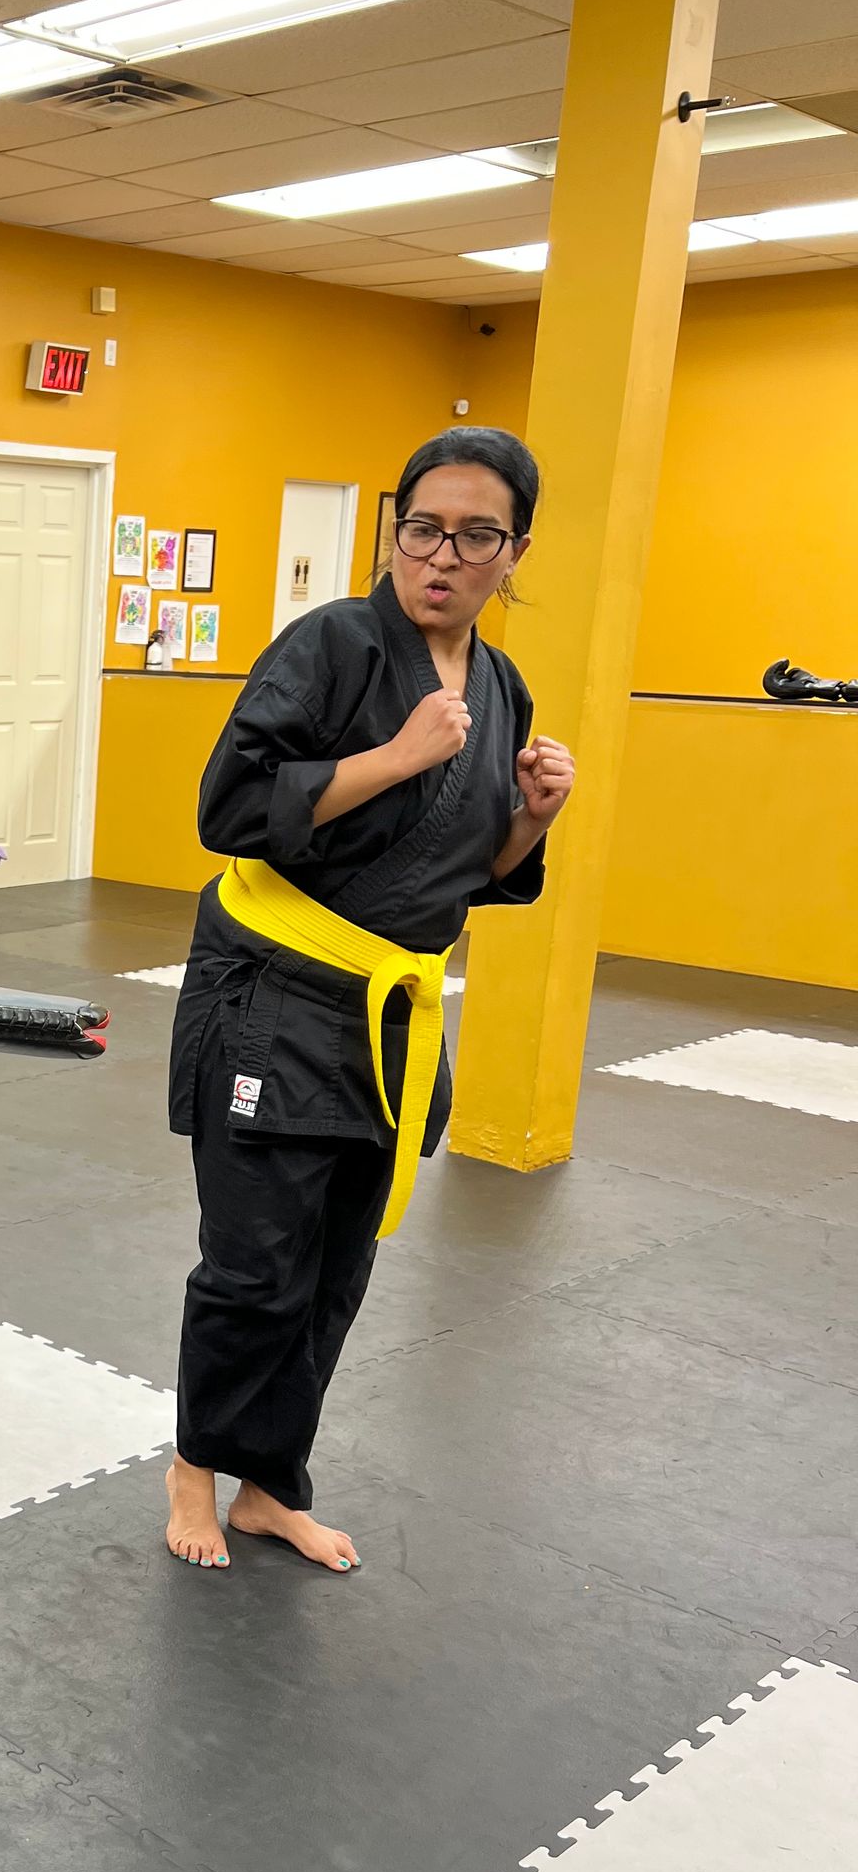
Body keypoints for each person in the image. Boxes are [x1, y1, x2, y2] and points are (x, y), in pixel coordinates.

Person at [163, 426, 573, 1576]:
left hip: (390, 1021)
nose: (442, 556)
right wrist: (395, 756)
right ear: (396, 528)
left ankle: (268, 1487)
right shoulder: (333, 645)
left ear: (515, 551)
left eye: (476, 536)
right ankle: (194, 1467)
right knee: (253, 1265)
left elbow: (466, 874)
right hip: (274, 997)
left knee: (334, 1271)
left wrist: (533, 817)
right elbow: (228, 808)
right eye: (423, 528)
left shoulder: (500, 687)